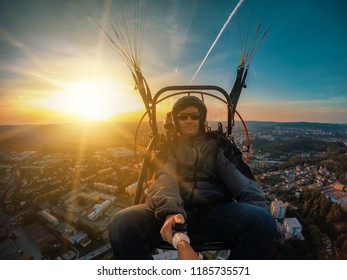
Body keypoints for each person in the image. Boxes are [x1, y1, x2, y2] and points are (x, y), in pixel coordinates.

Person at [108, 95, 276, 260]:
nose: (189, 120)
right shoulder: (168, 149)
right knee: (122, 223)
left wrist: (260, 218)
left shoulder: (217, 147)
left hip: (213, 213)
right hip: (169, 216)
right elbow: (164, 180)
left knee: (262, 221)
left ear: (201, 119)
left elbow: (241, 182)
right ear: (176, 121)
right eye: (183, 116)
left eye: (194, 116)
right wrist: (171, 212)